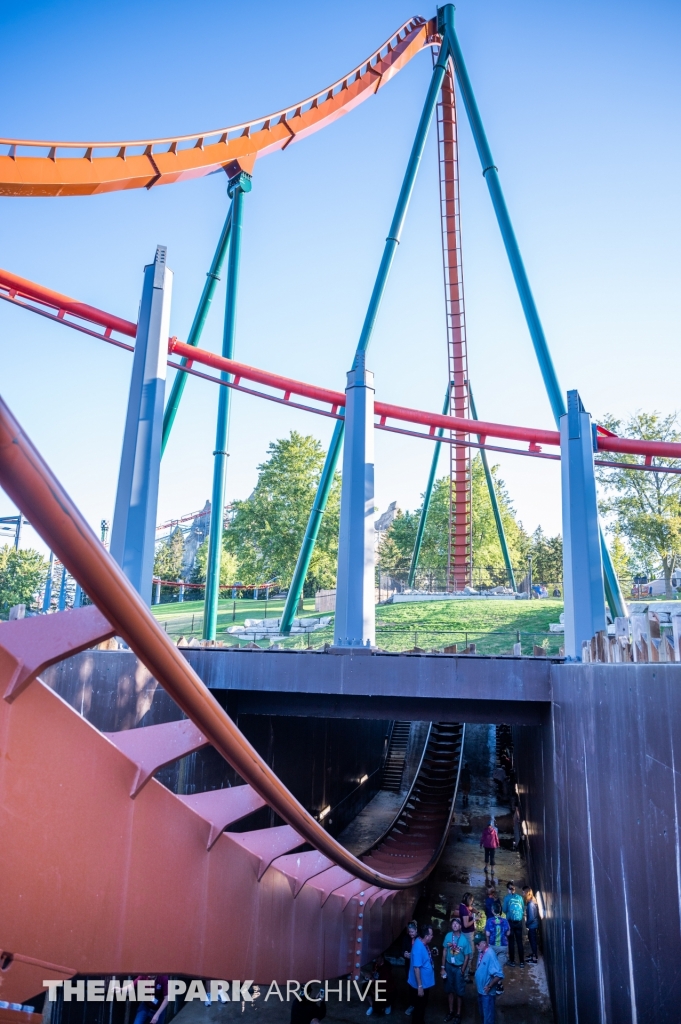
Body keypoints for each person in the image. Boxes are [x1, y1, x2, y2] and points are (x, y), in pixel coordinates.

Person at [441, 917, 471, 1024]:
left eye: (457, 924)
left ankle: (458, 1014)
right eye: (453, 923)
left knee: (459, 992)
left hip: (458, 968)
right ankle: (450, 1012)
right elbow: (444, 951)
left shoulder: (464, 940)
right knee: (449, 990)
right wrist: (443, 967)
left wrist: (463, 970)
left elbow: (467, 956)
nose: (454, 925)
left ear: (460, 927)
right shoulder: (448, 936)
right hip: (449, 966)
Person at [407, 924, 435, 1024]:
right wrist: (420, 986)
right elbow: (416, 968)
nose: (432, 936)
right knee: (419, 1007)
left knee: (422, 1006)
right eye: (431, 935)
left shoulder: (421, 942)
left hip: (425, 983)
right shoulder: (418, 948)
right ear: (426, 936)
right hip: (421, 985)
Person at [473, 938, 504, 1024]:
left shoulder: (490, 954)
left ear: (484, 943)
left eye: (478, 944)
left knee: (488, 1018)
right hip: (481, 992)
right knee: (483, 1015)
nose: (476, 946)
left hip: (487, 994)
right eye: (476, 944)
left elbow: (499, 974)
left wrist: (489, 986)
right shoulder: (481, 951)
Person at [502, 882, 525, 968]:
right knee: (519, 942)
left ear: (508, 889)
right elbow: (522, 909)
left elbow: (504, 910)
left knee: (511, 942)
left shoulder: (507, 898)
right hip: (519, 922)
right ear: (514, 889)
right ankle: (522, 962)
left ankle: (512, 961)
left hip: (510, 922)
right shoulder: (519, 897)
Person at [485, 900, 510, 976]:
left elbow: (487, 934)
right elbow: (508, 933)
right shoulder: (505, 921)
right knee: (500, 966)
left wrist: (488, 944)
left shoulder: (489, 921)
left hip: (493, 946)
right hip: (503, 946)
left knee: (492, 963)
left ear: (492, 911)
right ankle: (499, 983)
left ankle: (492, 980)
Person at [402, 920, 418, 1015]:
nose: (411, 934)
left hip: (417, 965)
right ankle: (412, 1004)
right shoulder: (406, 938)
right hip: (409, 965)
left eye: (412, 932)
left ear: (416, 931)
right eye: (409, 932)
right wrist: (404, 953)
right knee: (411, 985)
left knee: (418, 984)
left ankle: (418, 1004)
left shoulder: (419, 939)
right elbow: (402, 950)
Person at [522, 887, 539, 963]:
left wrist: (527, 924)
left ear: (526, 893)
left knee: (533, 941)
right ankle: (533, 955)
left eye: (523, 892)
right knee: (532, 940)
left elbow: (531, 917)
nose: (522, 894)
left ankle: (534, 958)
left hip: (532, 925)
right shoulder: (532, 901)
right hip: (534, 925)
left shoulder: (530, 904)